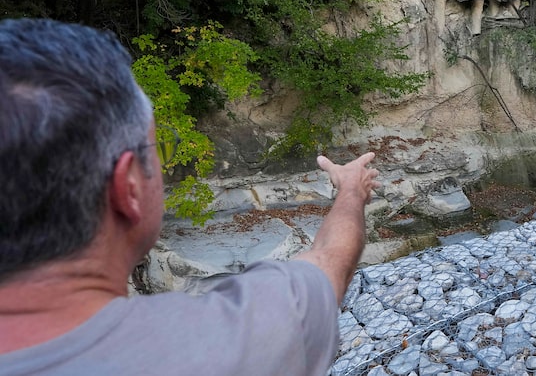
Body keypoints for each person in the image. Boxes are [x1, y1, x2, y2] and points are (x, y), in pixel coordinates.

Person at [0, 18, 381, 375]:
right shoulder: (224, 345)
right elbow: (331, 261)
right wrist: (351, 189)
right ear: (128, 187)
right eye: (156, 151)